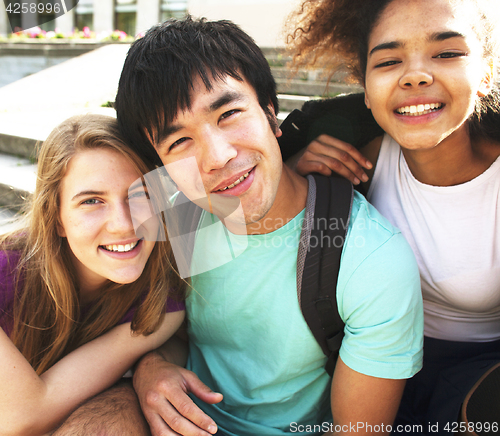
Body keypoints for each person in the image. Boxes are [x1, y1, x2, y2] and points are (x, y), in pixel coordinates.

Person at [54, 17, 423, 436]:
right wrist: (150, 368)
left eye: (229, 114)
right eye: (179, 142)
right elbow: (179, 329)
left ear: (270, 111)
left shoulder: (371, 261)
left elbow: (356, 429)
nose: (217, 156)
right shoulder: (178, 220)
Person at [285, 0, 500, 432]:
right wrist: (289, 176)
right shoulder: (349, 159)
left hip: (483, 379)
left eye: (447, 53)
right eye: (388, 60)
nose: (416, 74)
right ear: (365, 88)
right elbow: (180, 210)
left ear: (486, 75)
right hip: (370, 362)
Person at [0, 114, 185, 436]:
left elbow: (29, 414)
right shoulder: (7, 272)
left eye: (140, 195)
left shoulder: (158, 303)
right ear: (56, 219)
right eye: (92, 201)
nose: (124, 223)